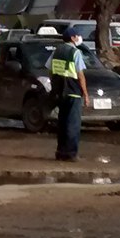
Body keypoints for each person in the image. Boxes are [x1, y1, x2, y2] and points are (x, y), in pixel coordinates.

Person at [47, 26, 90, 162]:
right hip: (73, 92)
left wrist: (55, 85)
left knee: (63, 123)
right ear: (72, 38)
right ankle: (71, 153)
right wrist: (86, 94)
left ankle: (61, 152)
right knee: (73, 124)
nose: (78, 38)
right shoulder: (75, 52)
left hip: (60, 92)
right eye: (76, 36)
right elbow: (81, 75)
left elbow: (50, 69)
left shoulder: (56, 52)